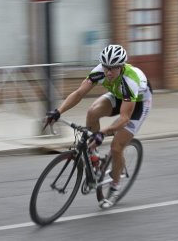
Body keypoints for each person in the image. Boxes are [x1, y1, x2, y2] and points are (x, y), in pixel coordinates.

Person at [45, 44, 152, 209]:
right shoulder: (100, 71)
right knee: (92, 112)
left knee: (117, 147)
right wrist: (58, 112)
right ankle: (94, 156)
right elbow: (79, 93)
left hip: (137, 104)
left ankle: (115, 187)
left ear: (122, 67)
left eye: (113, 69)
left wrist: (103, 132)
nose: (108, 72)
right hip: (118, 95)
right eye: (106, 67)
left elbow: (124, 118)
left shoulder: (130, 81)